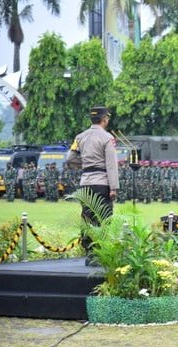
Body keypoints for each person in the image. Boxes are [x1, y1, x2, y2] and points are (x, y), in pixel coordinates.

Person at [66, 106, 119, 266]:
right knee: (104, 218)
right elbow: (111, 164)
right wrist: (114, 188)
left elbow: (70, 159)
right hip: (102, 183)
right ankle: (99, 253)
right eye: (107, 118)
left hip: (86, 183)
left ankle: (89, 253)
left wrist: (87, 164)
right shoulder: (107, 138)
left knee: (87, 217)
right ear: (104, 119)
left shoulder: (80, 137)